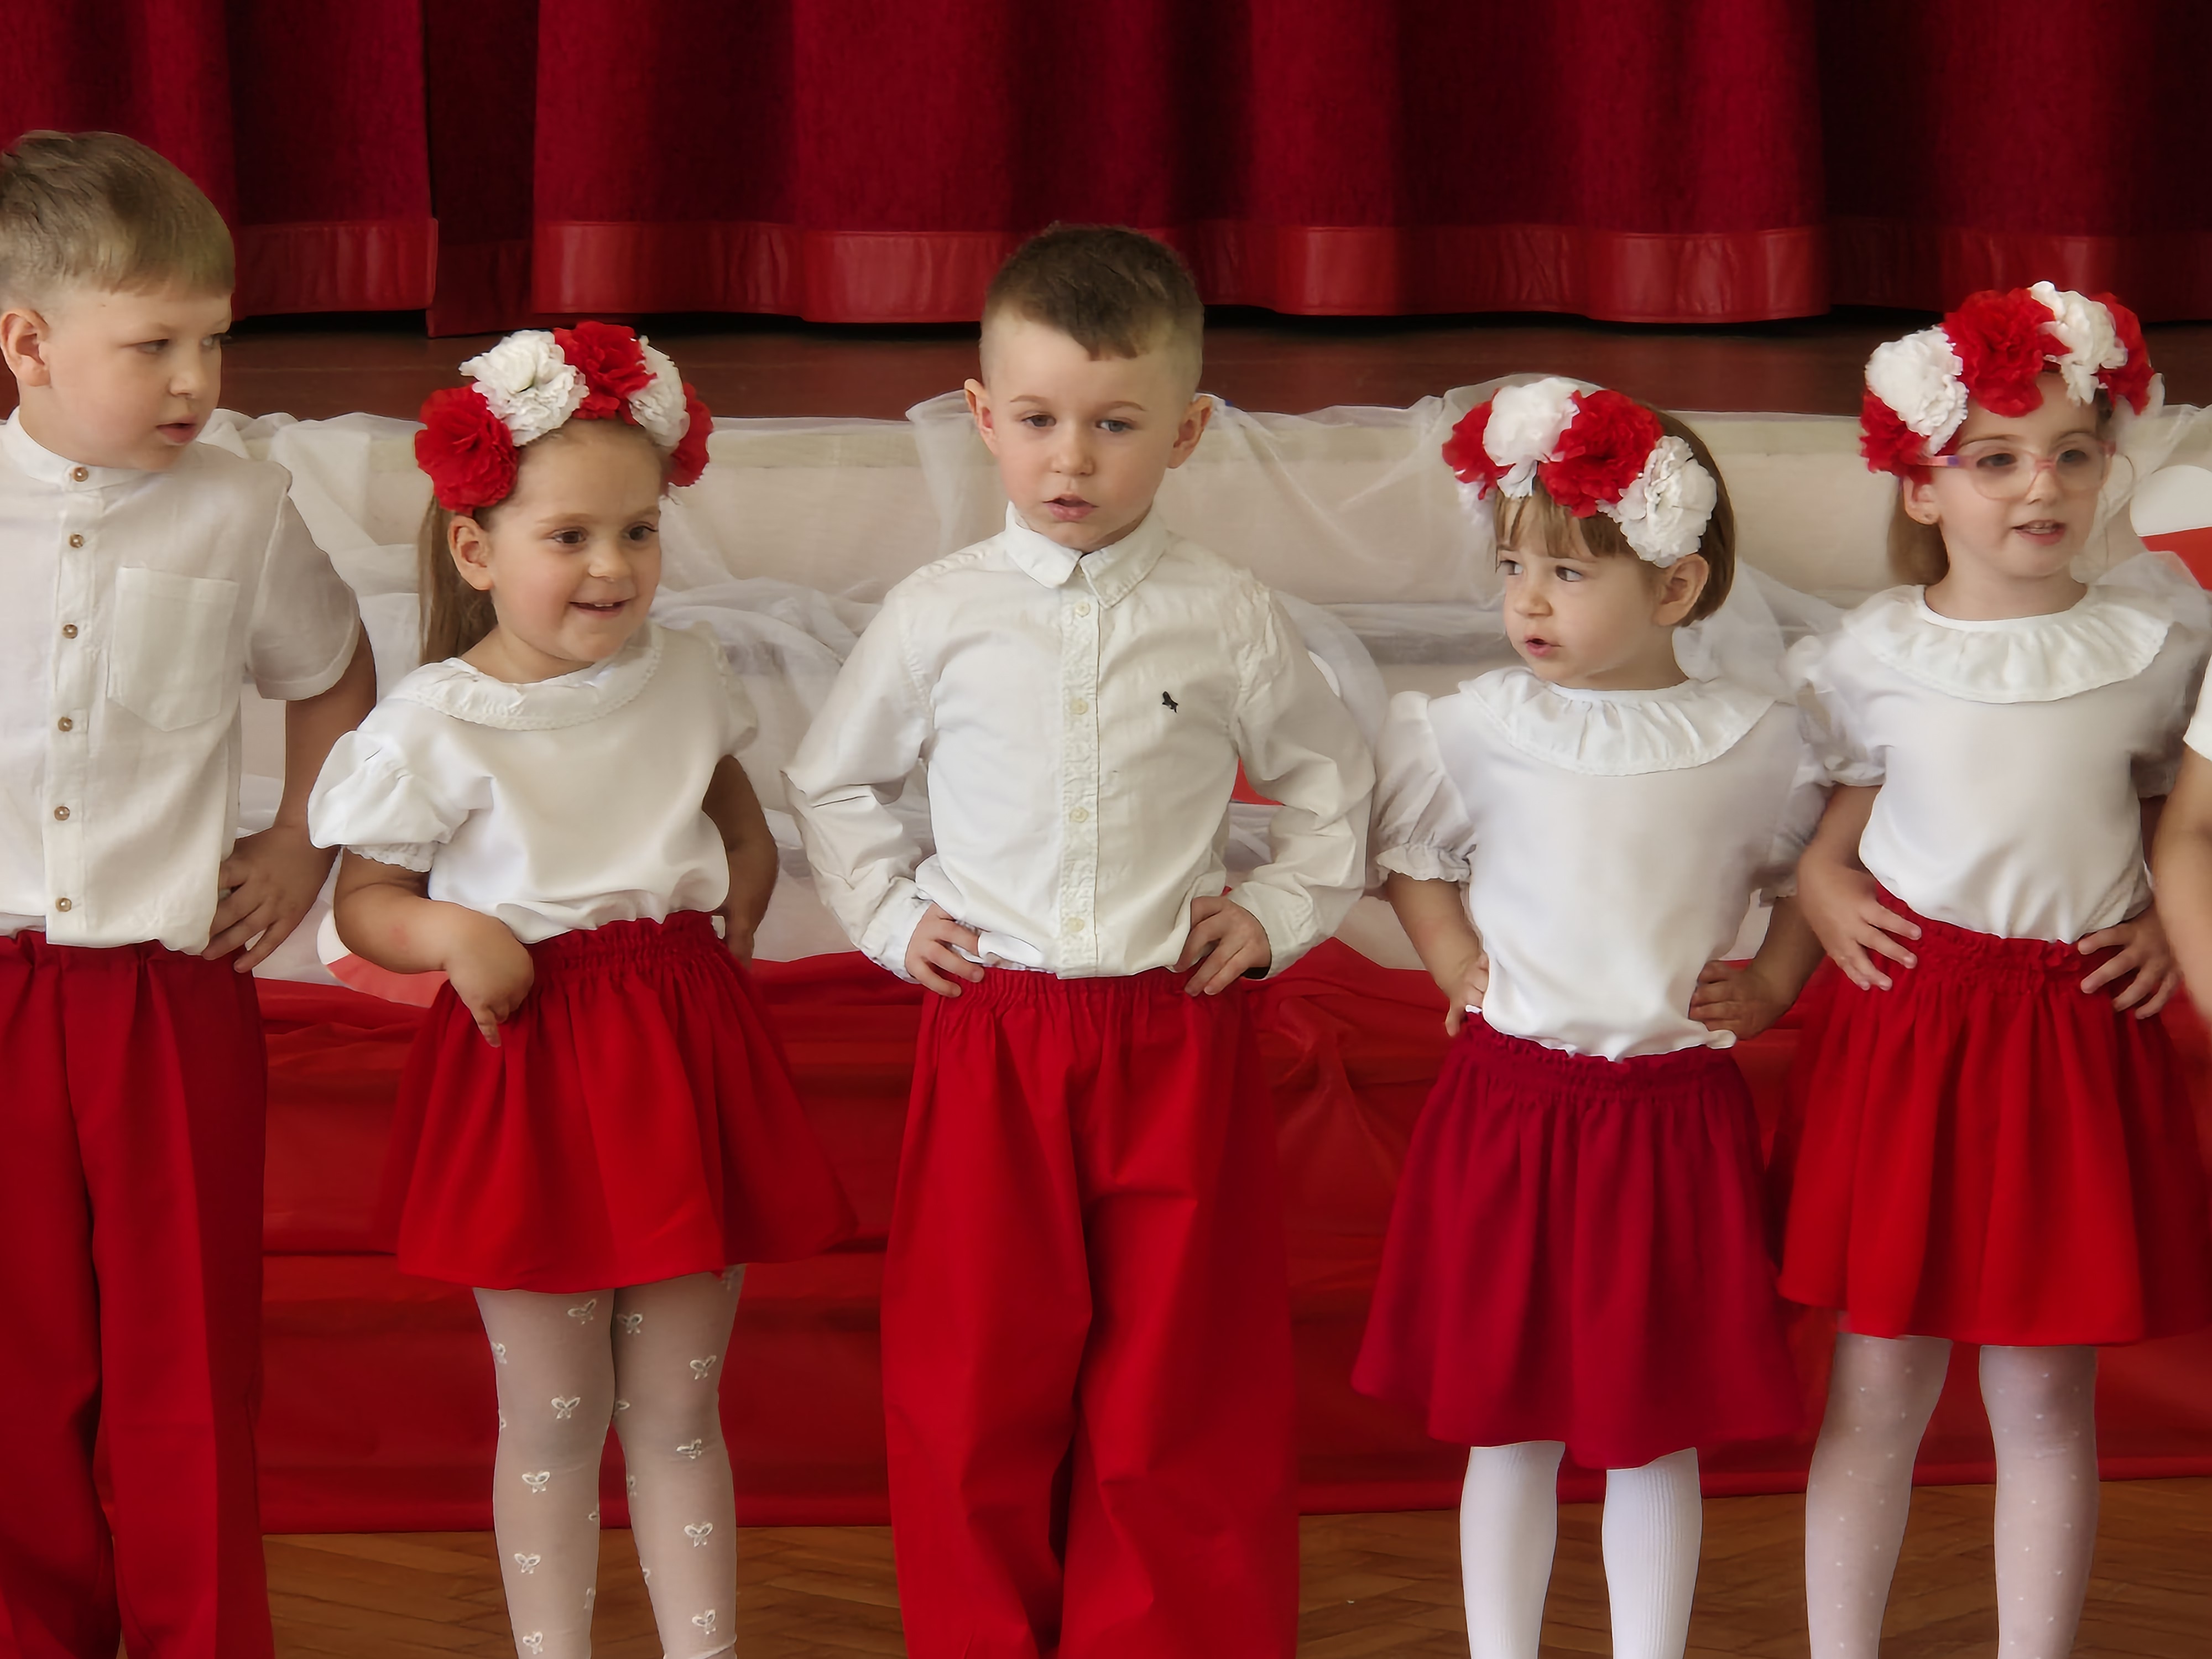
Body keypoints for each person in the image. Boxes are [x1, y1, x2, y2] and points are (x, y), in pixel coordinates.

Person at [785, 225, 1373, 1659]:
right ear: (982, 416)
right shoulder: (939, 615)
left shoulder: (1227, 614)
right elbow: (833, 781)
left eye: (1115, 426)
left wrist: (1275, 913)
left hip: (1173, 1034)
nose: (1072, 460)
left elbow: (1333, 784)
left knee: (1179, 1381)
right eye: (1039, 420)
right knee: (975, 1377)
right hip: (996, 1033)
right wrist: (890, 916)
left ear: (1188, 431)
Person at [307, 323, 854, 1659]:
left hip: (679, 1052)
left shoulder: (684, 675)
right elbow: (364, 905)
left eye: (638, 531)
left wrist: (744, 876)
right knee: (553, 1418)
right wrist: (449, 933)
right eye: (570, 538)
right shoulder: (433, 722)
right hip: (533, 1070)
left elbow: (733, 818)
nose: (613, 567)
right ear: (476, 550)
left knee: (676, 1411)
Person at [1352, 379, 1822, 1659]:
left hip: (1667, 1126)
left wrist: (1775, 981)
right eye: (1512, 567)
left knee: (1649, 1431)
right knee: (1506, 1425)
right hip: (1510, 1110)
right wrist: (1451, 958)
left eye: (1566, 572)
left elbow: (1817, 872)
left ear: (1674, 587)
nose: (1528, 602)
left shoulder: (1757, 744)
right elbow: (1412, 856)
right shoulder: (1476, 728)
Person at [1777, 286, 2212, 1659]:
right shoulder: (1868, 656)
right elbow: (1828, 835)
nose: (2041, 485)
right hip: (1912, 1031)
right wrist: (1819, 886)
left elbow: (2177, 824)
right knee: (1876, 1386)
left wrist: (2160, 924)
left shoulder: (2153, 650)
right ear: (1920, 487)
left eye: (2072, 454)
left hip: (2070, 1031)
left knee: (2040, 1399)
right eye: (1996, 458)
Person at [0, 129, 374, 1659]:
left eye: (212, 343)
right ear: (28, 343)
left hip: (166, 995)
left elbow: (333, 672)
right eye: (152, 344)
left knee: (189, 1358)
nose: (194, 381)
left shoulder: (239, 506)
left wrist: (300, 842)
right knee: (16, 1360)